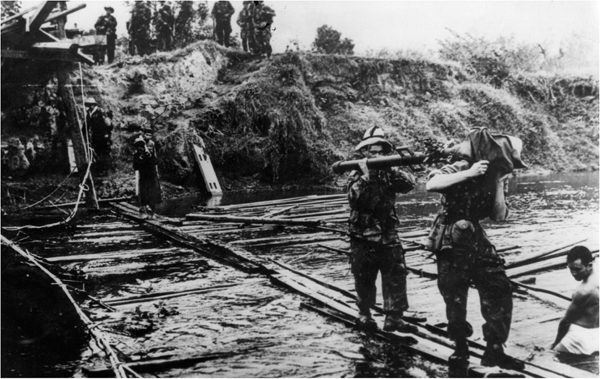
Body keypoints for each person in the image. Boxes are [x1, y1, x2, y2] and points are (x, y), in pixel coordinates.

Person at [426, 127, 527, 370]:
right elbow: (432, 184)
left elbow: (499, 216)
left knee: (498, 287)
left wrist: (500, 186)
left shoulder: (494, 175)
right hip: (452, 236)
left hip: (476, 237)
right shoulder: (463, 165)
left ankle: (494, 349)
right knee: (455, 295)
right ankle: (460, 348)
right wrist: (470, 173)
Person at [347, 126, 418, 333]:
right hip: (364, 234)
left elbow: (408, 186)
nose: (377, 155)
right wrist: (366, 177)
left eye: (381, 152)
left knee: (396, 273)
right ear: (365, 152)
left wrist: (393, 169)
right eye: (373, 152)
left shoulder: (390, 171)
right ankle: (364, 314)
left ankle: (393, 318)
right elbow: (354, 200)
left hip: (388, 232)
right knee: (364, 275)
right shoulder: (355, 172)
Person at [551, 246, 599, 355]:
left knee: (552, 353)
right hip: (597, 334)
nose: (573, 273)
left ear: (589, 266)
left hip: (580, 337)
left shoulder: (583, 291)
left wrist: (555, 344)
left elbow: (565, 322)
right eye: (570, 268)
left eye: (577, 269)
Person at [133, 136, 162, 219]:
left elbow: (155, 162)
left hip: (152, 177)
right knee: (144, 196)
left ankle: (152, 214)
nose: (140, 148)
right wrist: (139, 159)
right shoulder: (136, 156)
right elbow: (135, 167)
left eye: (142, 146)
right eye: (138, 146)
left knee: (153, 195)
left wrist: (148, 154)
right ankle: (145, 213)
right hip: (143, 178)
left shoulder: (149, 153)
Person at [84, 97, 113, 176]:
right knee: (96, 152)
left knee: (104, 152)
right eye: (88, 105)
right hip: (95, 136)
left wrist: (106, 133)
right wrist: (83, 133)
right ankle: (99, 169)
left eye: (91, 105)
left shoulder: (100, 112)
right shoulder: (89, 114)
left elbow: (109, 124)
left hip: (103, 135)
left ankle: (106, 170)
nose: (89, 107)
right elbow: (86, 125)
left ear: (94, 105)